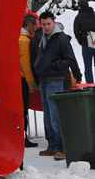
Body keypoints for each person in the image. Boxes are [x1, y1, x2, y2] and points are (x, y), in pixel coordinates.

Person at [33, 11, 81, 161]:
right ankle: (52, 145)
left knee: (55, 116)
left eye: (49, 24)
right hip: (45, 79)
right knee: (47, 116)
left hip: (56, 79)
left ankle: (62, 147)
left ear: (54, 23)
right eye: (44, 24)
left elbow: (70, 59)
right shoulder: (42, 37)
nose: (46, 27)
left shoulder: (61, 38)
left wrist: (54, 65)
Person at [19, 15, 38, 148]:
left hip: (16, 78)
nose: (36, 28)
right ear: (30, 25)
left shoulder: (17, 37)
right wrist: (30, 82)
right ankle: (23, 137)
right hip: (22, 79)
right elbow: (26, 64)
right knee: (23, 109)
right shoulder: (25, 41)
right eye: (35, 26)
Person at [73, 0, 95, 84]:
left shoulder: (78, 17)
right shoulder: (94, 15)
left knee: (88, 66)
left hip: (86, 44)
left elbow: (76, 31)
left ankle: (90, 85)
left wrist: (81, 41)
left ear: (80, 7)